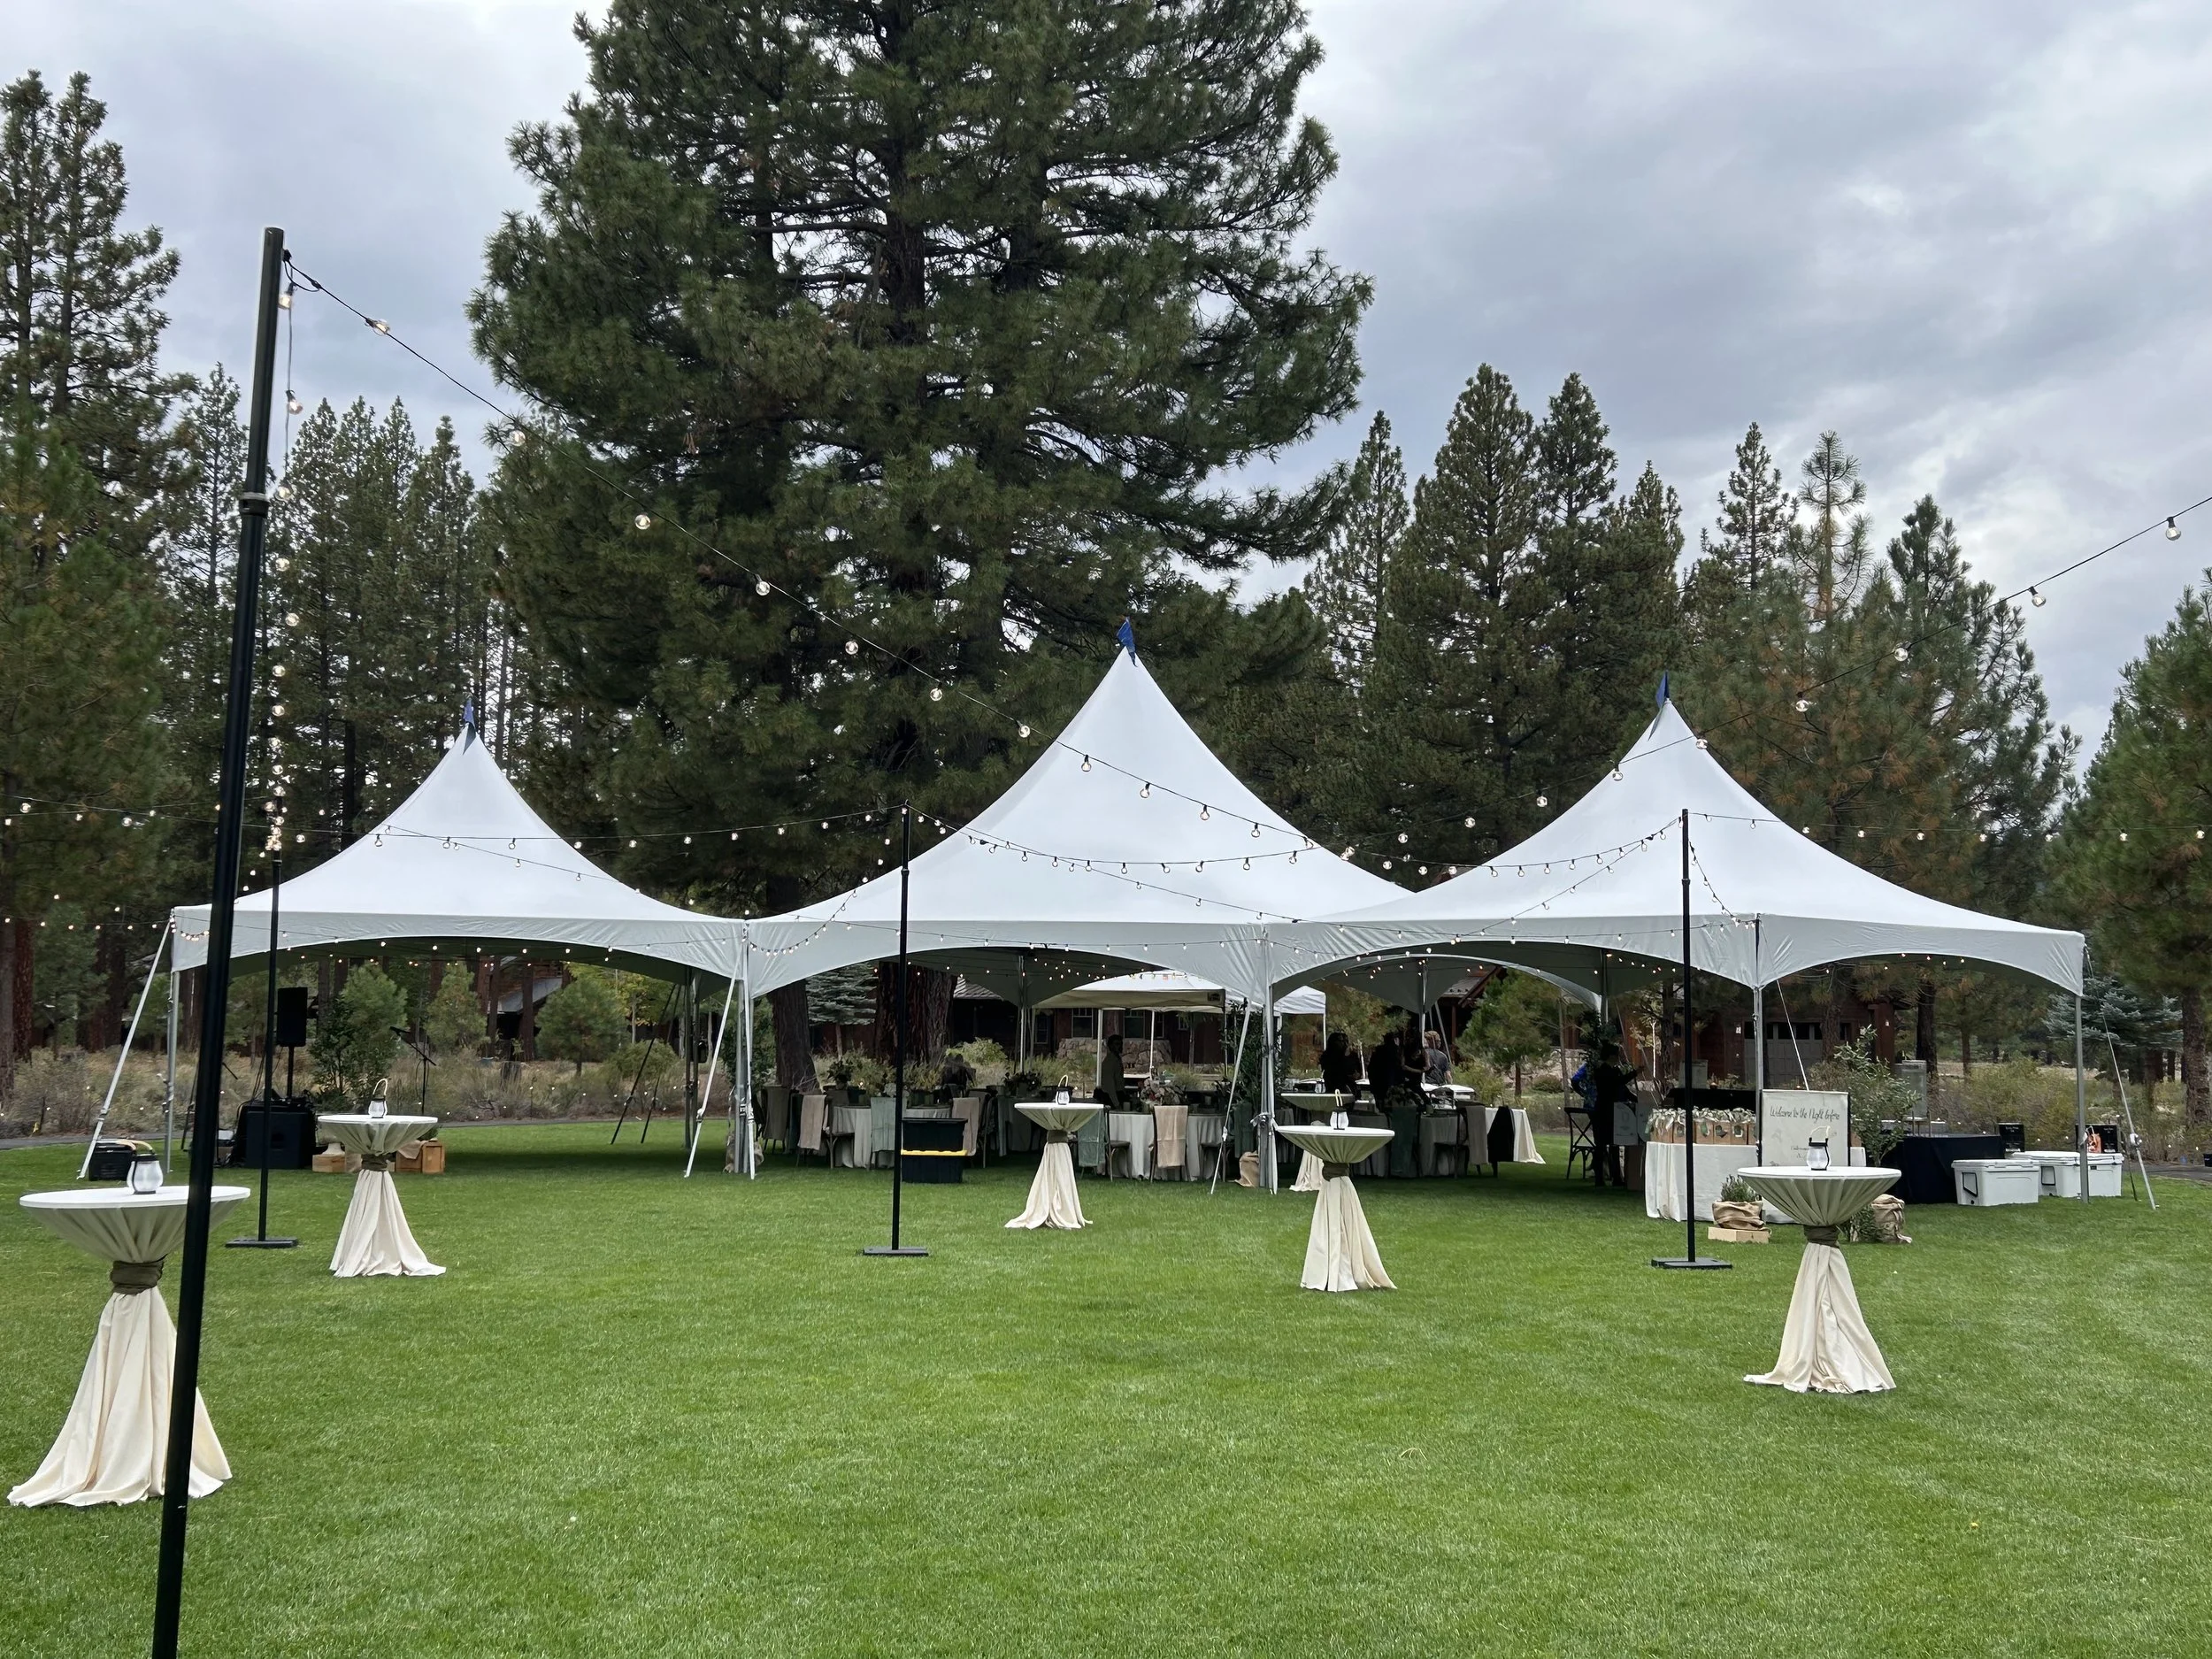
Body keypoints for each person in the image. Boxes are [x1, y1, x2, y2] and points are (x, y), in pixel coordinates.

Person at [1319, 1031, 1362, 1100]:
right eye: (1341, 1041)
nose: (1344, 1044)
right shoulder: (1328, 1056)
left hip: (1351, 1091)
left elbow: (1358, 1072)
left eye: (1346, 1041)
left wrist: (1357, 1075)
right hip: (1334, 1091)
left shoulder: (1353, 1056)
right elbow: (1331, 1072)